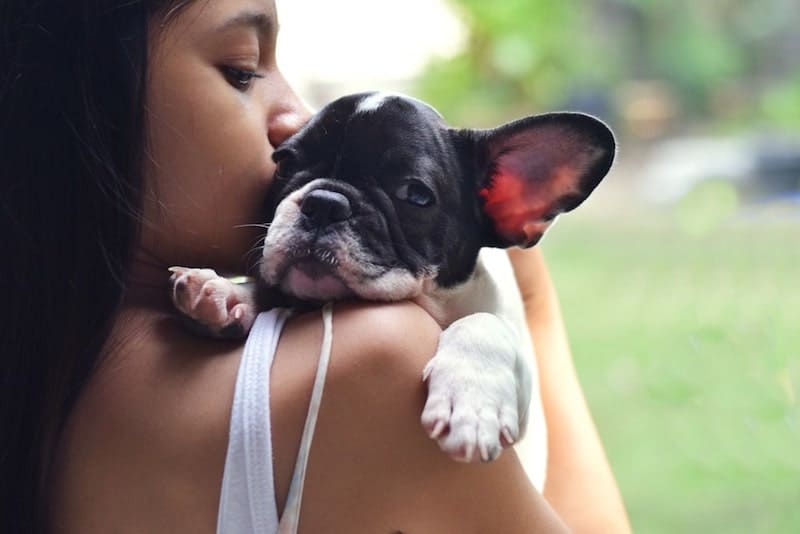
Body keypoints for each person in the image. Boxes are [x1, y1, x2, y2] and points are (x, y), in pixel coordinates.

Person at [0, 0, 631, 532]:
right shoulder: (377, 361)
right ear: (82, 88)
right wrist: (536, 319)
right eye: (243, 69)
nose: (295, 114)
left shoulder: (44, 353)